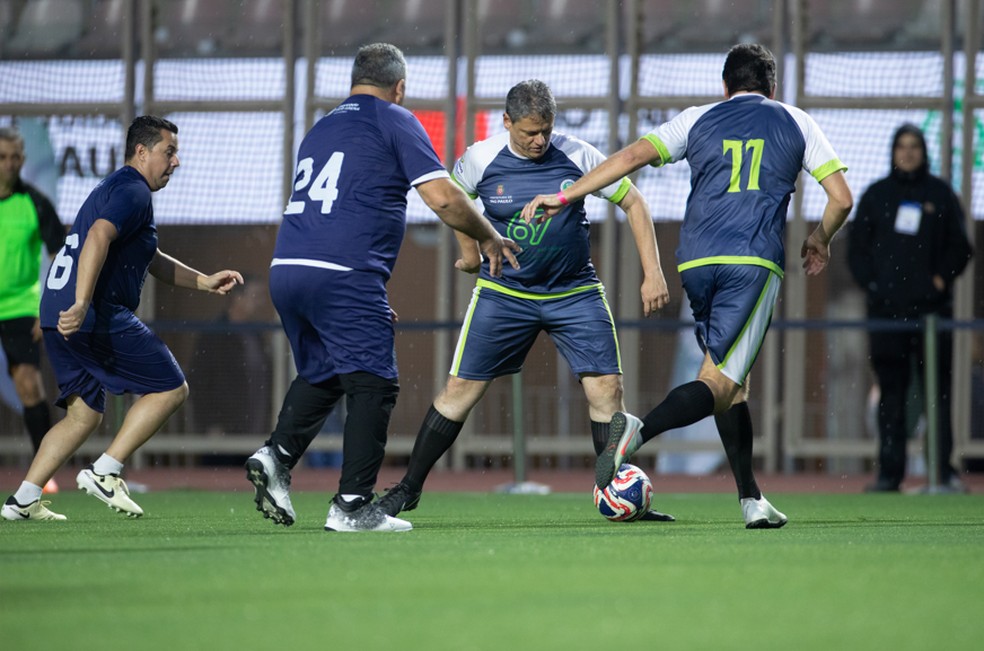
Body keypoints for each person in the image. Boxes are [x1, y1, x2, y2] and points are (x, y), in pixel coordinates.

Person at [523, 43, 854, 528]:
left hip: (696, 261)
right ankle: (637, 431)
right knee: (718, 382)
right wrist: (820, 238)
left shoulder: (697, 118)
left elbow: (633, 156)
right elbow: (841, 198)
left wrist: (566, 194)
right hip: (751, 263)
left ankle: (751, 499)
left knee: (731, 384)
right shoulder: (796, 121)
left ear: (724, 86)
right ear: (772, 88)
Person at [244, 43, 519, 533]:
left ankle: (277, 455)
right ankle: (351, 507)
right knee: (374, 383)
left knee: (328, 370)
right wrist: (488, 236)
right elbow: (443, 198)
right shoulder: (394, 119)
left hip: (288, 268)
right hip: (342, 274)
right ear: (400, 87)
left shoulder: (321, 128)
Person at [375, 79, 676, 522]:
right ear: (507, 122)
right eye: (528, 133)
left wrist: (653, 273)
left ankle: (614, 498)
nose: (538, 142)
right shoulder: (481, 157)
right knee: (459, 390)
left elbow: (634, 203)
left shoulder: (577, 153)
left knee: (608, 391)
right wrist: (469, 251)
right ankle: (407, 490)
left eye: (545, 132)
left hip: (574, 291)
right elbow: (455, 200)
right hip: (505, 293)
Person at [1, 115, 244, 522]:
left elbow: (149, 256)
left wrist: (203, 281)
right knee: (171, 389)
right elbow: (97, 235)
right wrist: (82, 303)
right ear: (142, 151)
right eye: (169, 152)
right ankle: (106, 471)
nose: (176, 161)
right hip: (91, 313)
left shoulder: (115, 187)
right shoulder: (133, 191)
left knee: (83, 415)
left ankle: (23, 498)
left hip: (54, 312)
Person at [847, 124, 972, 493]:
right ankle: (890, 474)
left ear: (923, 151)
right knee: (892, 394)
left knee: (938, 393)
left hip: (932, 315)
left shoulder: (940, 194)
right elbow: (856, 251)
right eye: (901, 146)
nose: (908, 152)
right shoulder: (876, 196)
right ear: (893, 151)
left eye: (914, 146)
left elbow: (960, 247)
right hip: (886, 316)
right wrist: (875, 286)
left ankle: (942, 472)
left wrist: (938, 281)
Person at [0, 127, 66, 495]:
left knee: (28, 384)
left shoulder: (36, 203)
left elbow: (61, 258)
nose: (8, 164)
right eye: (2, 157)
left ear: (23, 160)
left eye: (14, 158)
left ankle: (42, 474)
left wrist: (49, 307)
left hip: (20, 306)